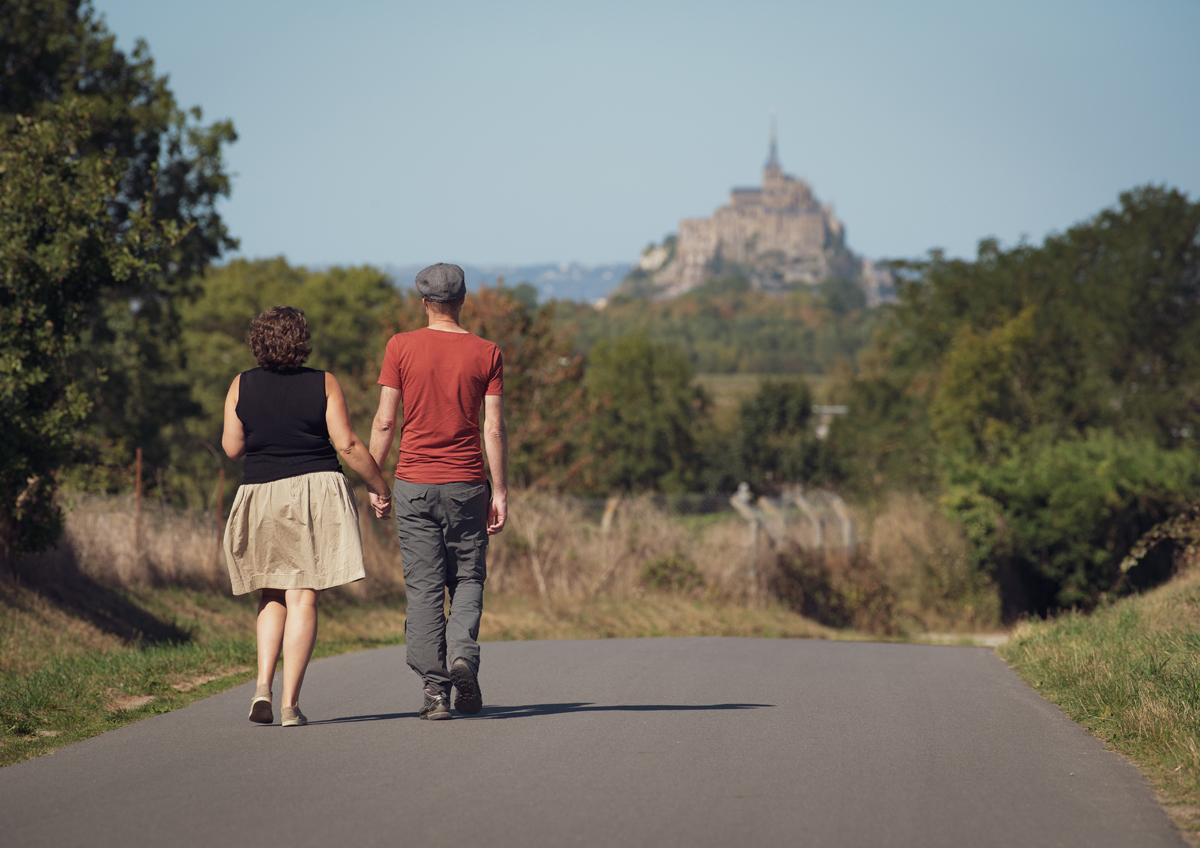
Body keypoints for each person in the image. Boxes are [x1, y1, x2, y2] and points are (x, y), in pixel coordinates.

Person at [221, 305, 393, 727]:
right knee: (304, 596)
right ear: (301, 341)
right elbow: (348, 444)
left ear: (257, 341)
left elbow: (231, 448)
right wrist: (378, 485)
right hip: (315, 492)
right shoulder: (324, 383)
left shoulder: (241, 384)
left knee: (271, 593)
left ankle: (262, 685)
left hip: (260, 493)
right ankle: (290, 706)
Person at [369, 262, 508, 721]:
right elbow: (493, 428)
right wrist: (500, 491)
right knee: (467, 578)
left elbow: (386, 420)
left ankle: (435, 691)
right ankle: (463, 657)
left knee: (424, 587)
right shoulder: (487, 352)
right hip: (468, 484)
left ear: (424, 302)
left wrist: (375, 479)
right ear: (464, 299)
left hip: (414, 484)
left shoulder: (400, 347)